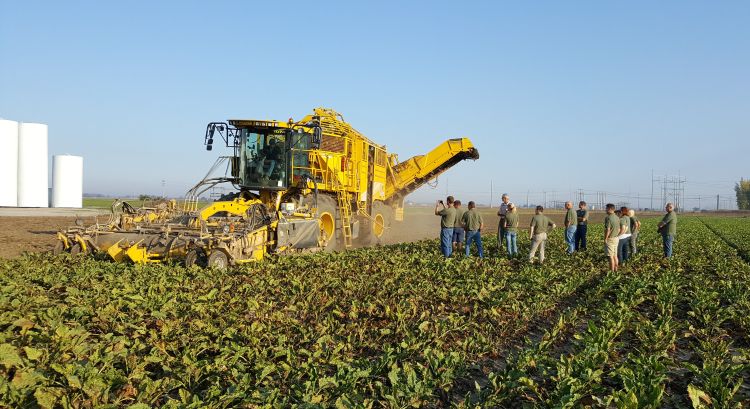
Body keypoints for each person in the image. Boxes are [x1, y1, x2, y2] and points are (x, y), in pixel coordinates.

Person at [604, 203, 620, 272]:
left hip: (610, 239)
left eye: (606, 208)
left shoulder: (608, 218)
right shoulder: (617, 217)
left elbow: (608, 229)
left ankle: (611, 272)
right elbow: (619, 229)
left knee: (610, 257)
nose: (605, 210)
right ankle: (616, 270)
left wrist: (605, 239)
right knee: (615, 256)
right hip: (616, 238)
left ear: (610, 209)